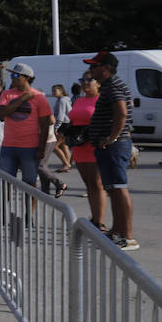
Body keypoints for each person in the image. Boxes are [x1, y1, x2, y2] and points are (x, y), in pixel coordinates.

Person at [84, 52, 138, 251]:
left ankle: (128, 237)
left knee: (119, 188)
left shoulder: (113, 86)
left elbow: (121, 112)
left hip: (114, 146)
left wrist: (112, 137)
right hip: (109, 146)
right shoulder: (110, 85)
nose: (91, 70)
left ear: (106, 68)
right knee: (113, 190)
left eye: (95, 66)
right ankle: (117, 231)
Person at [0, 62, 52, 190]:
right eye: (12, 74)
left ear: (27, 78)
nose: (12, 77)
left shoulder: (39, 97)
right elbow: (1, 113)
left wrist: (41, 149)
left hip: (30, 147)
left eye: (16, 75)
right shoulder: (7, 94)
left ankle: (29, 211)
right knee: (4, 183)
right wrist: (22, 99)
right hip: (8, 146)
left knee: (30, 183)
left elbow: (45, 125)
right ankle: (3, 211)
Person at [67, 74, 107, 231]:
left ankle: (100, 222)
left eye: (89, 80)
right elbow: (73, 119)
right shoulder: (79, 100)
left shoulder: (102, 100)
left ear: (98, 84)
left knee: (98, 184)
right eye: (82, 80)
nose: (84, 83)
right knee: (89, 185)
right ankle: (95, 218)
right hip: (79, 146)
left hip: (94, 145)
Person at [49, 85, 73, 172]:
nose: (53, 93)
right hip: (67, 124)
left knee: (54, 147)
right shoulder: (63, 100)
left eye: (55, 91)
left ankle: (67, 164)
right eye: (52, 91)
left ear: (61, 91)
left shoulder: (62, 100)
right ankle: (67, 165)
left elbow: (61, 116)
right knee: (64, 146)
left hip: (63, 125)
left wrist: (56, 127)